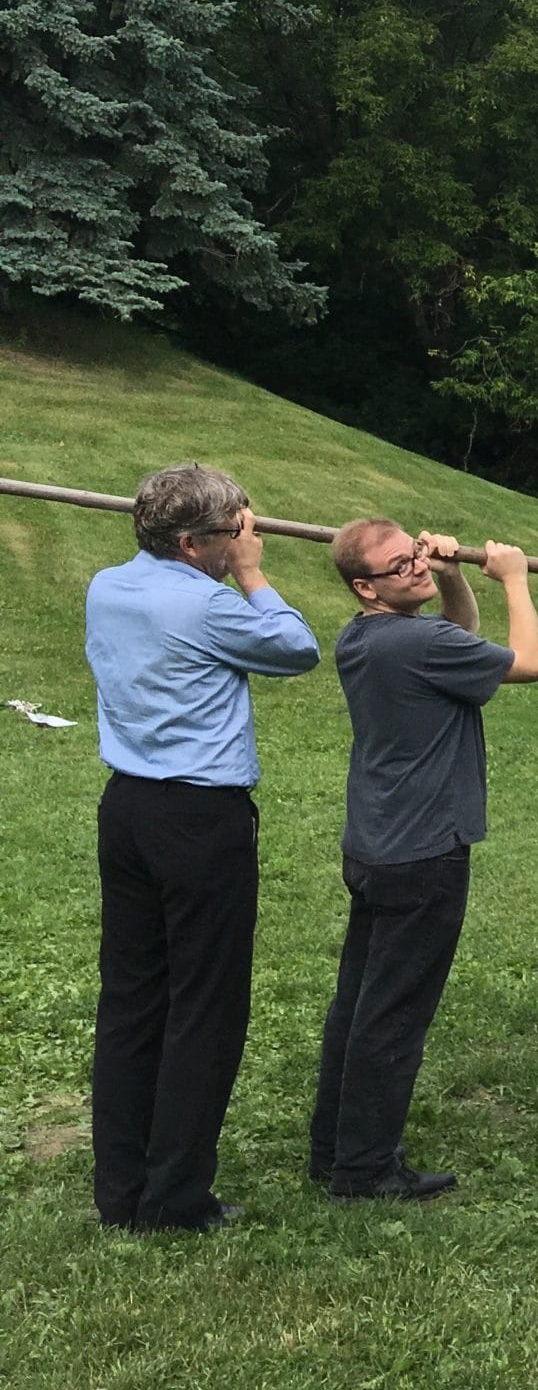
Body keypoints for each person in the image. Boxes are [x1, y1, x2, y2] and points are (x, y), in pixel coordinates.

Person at [84, 464, 320, 1231]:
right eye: (233, 533)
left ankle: (121, 1191)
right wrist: (254, 577)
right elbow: (296, 648)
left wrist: (235, 559)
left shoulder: (107, 587)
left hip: (127, 812)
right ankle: (177, 1198)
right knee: (204, 1009)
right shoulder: (209, 606)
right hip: (198, 819)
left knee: (131, 1002)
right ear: (193, 543)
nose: (242, 542)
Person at [310, 522, 538, 1201]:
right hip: (424, 854)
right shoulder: (417, 642)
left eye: (413, 554)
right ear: (365, 586)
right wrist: (516, 579)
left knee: (358, 1006)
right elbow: (528, 663)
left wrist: (449, 575)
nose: (414, 566)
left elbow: (458, 636)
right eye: (399, 566)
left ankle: (336, 1151)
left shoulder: (364, 636)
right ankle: (365, 1170)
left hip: (376, 848)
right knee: (394, 1016)